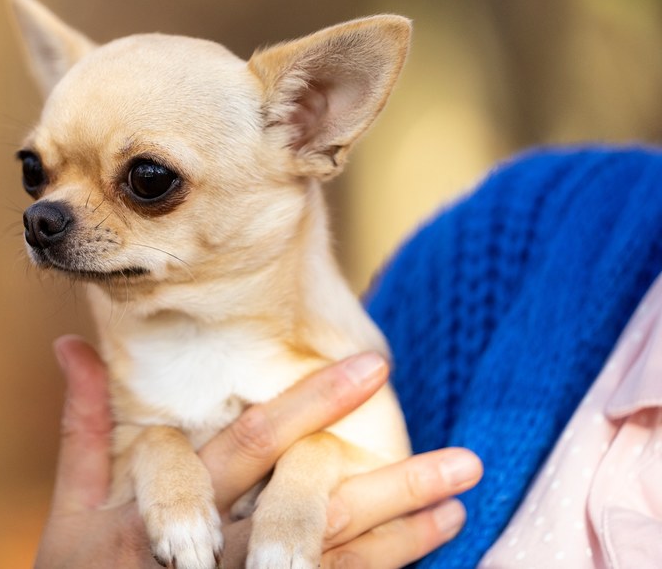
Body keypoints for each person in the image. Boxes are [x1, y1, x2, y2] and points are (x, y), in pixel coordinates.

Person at [35, 147, 662, 568]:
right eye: (34, 172)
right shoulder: (521, 232)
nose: (47, 210)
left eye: (148, 182)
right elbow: (356, 447)